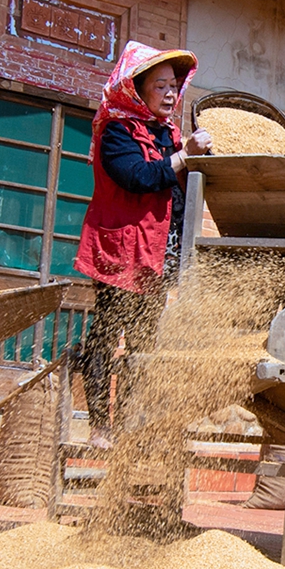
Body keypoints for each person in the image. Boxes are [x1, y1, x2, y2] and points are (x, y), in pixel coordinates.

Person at [73, 41, 212, 449]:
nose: (171, 95)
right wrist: (185, 156)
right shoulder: (116, 130)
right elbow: (138, 176)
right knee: (107, 334)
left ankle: (129, 423)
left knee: (142, 342)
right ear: (137, 89)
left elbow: (182, 192)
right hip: (122, 251)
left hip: (158, 255)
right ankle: (100, 425)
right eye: (161, 86)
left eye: (174, 86)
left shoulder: (168, 133)